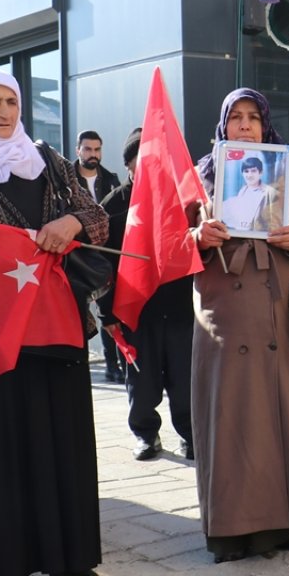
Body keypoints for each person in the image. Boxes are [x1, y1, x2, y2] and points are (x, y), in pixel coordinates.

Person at [0, 67, 108, 576]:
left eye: (11, 102)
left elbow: (97, 217)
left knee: (61, 447)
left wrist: (71, 221)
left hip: (56, 331)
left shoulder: (48, 161)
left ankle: (67, 559)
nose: (5, 113)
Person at [191, 87, 289, 563]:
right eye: (237, 117)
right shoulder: (199, 177)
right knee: (232, 421)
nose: (247, 125)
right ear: (224, 125)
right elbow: (167, 246)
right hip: (225, 319)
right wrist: (198, 234)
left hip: (282, 315)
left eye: (254, 117)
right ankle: (232, 530)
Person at [97, 128, 194, 461]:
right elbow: (100, 264)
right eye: (143, 162)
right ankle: (146, 435)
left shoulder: (185, 200)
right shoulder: (113, 205)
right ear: (128, 166)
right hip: (136, 311)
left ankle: (191, 434)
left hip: (182, 309)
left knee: (186, 380)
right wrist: (107, 315)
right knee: (142, 381)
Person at [73, 129, 125, 383]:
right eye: (88, 149)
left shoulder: (111, 179)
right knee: (79, 308)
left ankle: (112, 363)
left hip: (107, 254)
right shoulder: (66, 180)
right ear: (78, 150)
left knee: (108, 306)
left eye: (97, 149)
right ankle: (78, 356)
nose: (93, 155)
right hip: (79, 256)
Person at [221, 155, 280, 232]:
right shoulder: (242, 191)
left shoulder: (271, 192)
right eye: (246, 171)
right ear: (242, 173)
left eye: (253, 171)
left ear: (261, 172)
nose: (249, 175)